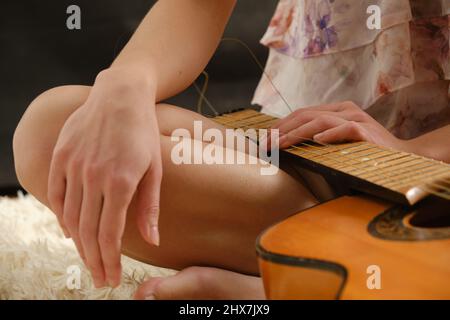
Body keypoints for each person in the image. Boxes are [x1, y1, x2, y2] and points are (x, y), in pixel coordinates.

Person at [12, 0, 450, 300]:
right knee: (52, 130)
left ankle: (298, 281)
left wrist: (416, 152)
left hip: (433, 178)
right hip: (335, 148)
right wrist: (126, 84)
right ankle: (316, 266)